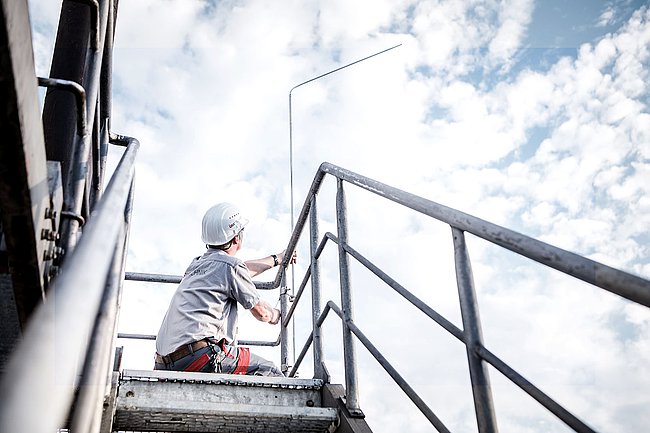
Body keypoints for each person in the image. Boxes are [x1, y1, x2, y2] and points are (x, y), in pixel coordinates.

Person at [154, 202, 294, 376]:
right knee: (269, 370)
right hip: (199, 356)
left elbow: (241, 269)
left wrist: (277, 259)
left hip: (163, 363)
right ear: (237, 238)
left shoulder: (196, 265)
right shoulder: (230, 267)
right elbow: (262, 313)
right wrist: (277, 315)